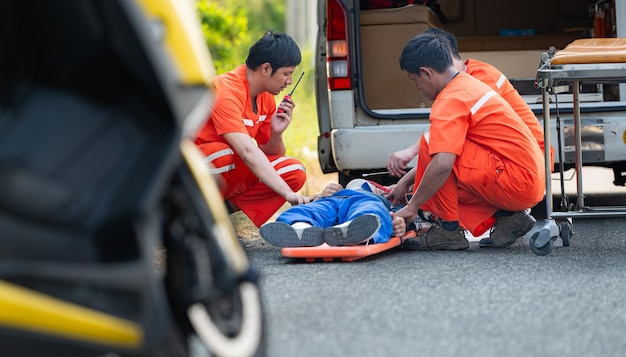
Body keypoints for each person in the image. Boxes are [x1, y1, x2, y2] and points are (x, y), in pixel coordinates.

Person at [388, 31, 545, 251]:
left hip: (517, 181)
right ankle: (507, 216)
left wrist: (412, 206)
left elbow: (442, 163)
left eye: (415, 80)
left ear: (426, 72)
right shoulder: (469, 82)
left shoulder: (450, 100)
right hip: (529, 178)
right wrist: (407, 182)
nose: (418, 88)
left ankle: (448, 231)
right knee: (439, 158)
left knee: (433, 147)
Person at [386, 28, 554, 178]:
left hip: (528, 160)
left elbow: (444, 148)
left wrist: (411, 154)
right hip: (519, 158)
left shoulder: (478, 79)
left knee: (443, 156)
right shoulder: (466, 79)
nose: (418, 87)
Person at [195, 30, 309, 228]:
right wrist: (288, 194)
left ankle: (223, 210)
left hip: (232, 167)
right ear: (266, 68)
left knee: (294, 170)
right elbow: (248, 151)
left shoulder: (266, 97)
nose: (289, 81)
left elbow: (271, 154)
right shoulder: (225, 90)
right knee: (223, 155)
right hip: (200, 167)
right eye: (286, 74)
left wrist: (276, 133)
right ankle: (195, 214)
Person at [259, 179, 407, 248]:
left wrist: (399, 224)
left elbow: (403, 218)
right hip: (331, 200)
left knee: (373, 213)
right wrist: (320, 196)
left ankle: (352, 230)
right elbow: (311, 204)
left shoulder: (390, 202)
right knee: (304, 211)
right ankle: (300, 228)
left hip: (364, 201)